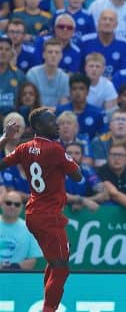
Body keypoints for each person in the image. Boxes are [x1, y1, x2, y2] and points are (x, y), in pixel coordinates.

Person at [0, 108, 83, 312]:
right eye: (51, 121)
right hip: (49, 215)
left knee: (54, 262)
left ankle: (48, 306)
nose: (56, 125)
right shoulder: (55, 149)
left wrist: (4, 138)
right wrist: (65, 163)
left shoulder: (24, 147)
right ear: (37, 126)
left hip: (33, 214)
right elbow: (78, 176)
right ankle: (48, 309)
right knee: (61, 268)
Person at [91, 109, 126, 181]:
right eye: (117, 119)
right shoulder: (99, 142)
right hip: (106, 182)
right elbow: (101, 171)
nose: (120, 122)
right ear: (110, 125)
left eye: (124, 120)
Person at [80, 9, 126, 79]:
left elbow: (124, 72)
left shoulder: (124, 44)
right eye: (104, 19)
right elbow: (79, 69)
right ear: (98, 22)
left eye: (111, 20)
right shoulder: (85, 41)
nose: (107, 22)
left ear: (116, 24)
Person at [56, 74, 107, 143]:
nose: (77, 92)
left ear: (88, 91)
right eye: (74, 89)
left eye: (81, 88)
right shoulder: (60, 111)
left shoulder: (98, 113)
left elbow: (103, 138)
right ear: (70, 92)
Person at [0, 190, 43, 270]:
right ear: (2, 204)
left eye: (17, 204)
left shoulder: (29, 229)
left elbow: (32, 260)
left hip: (17, 278)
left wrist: (14, 267)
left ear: (22, 208)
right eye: (8, 203)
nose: (12, 207)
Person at [64, 142, 108, 212]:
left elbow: (104, 194)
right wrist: (82, 200)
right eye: (69, 153)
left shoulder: (87, 170)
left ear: (83, 157)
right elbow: (59, 195)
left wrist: (84, 202)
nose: (73, 156)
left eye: (77, 153)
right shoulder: (56, 171)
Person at [26, 39, 69, 109]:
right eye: (50, 52)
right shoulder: (32, 74)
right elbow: (31, 102)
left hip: (57, 115)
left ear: (61, 56)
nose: (53, 55)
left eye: (57, 52)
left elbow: (64, 103)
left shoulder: (64, 77)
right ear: (43, 54)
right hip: (35, 114)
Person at [0, 37, 25, 116]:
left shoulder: (19, 75)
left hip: (12, 119)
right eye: (0, 48)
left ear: (12, 53)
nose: (3, 52)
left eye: (7, 50)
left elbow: (24, 103)